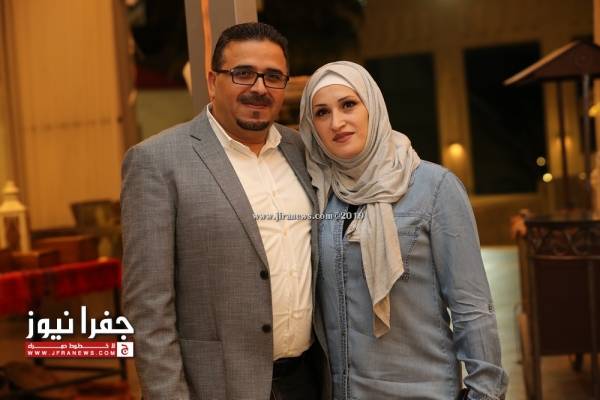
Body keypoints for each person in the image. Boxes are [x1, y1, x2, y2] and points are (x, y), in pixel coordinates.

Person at [121, 22, 328, 400]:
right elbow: (148, 309)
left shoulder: (302, 150)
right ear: (213, 81)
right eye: (243, 73)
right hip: (217, 387)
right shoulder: (157, 161)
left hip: (307, 381)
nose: (259, 88)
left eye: (273, 76)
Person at [298, 61, 509, 400]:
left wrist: (485, 393)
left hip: (424, 390)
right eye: (322, 113)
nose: (336, 122)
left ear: (373, 107)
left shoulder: (434, 187)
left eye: (348, 104)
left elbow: (472, 307)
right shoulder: (321, 194)